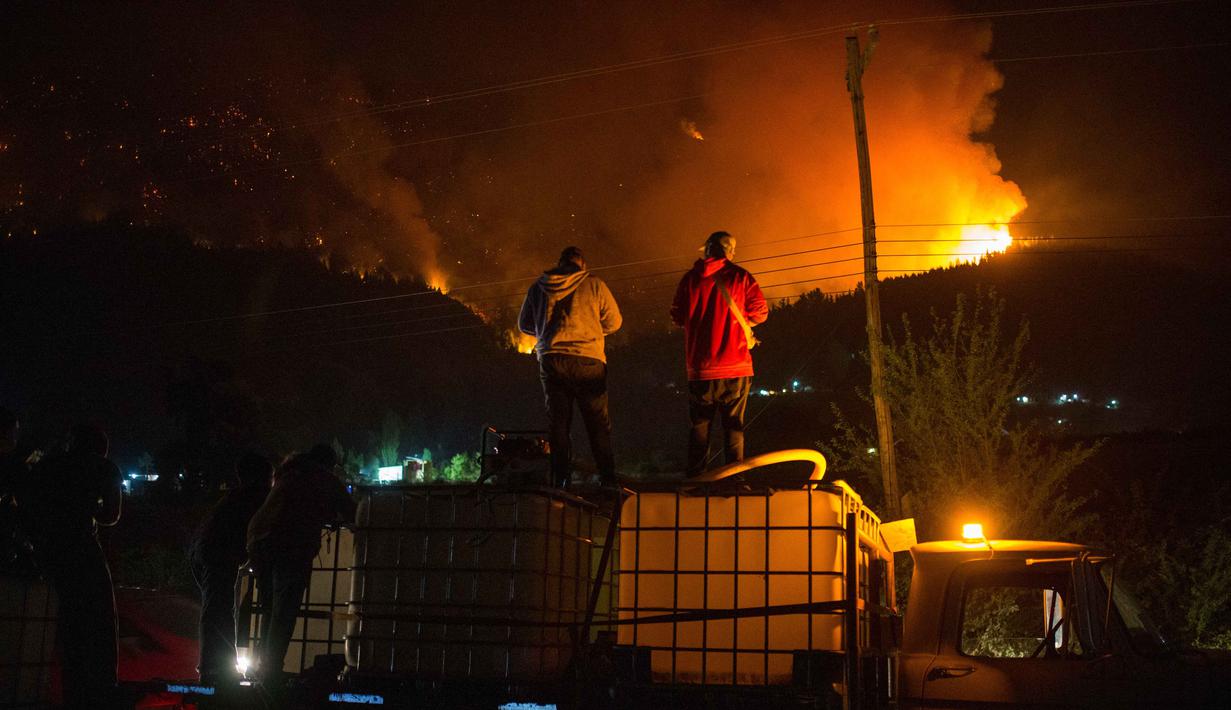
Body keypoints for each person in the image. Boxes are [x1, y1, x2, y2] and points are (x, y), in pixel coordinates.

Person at [24, 423, 124, 707]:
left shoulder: (49, 465)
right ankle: (103, 689)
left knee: (63, 623)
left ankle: (69, 691)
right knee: (101, 621)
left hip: (46, 549)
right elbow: (111, 516)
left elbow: (29, 505)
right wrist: (89, 508)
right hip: (83, 549)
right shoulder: (104, 468)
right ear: (102, 449)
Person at [245, 445, 354, 680]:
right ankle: (271, 669)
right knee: (285, 609)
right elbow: (352, 511)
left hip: (258, 538)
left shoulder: (289, 473)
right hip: (290, 542)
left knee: (270, 608)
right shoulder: (323, 477)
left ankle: (262, 667)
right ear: (328, 464)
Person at [518, 246, 623, 486]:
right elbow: (615, 322)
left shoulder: (538, 287)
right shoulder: (594, 284)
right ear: (582, 265)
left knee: (559, 425)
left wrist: (546, 332)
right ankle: (608, 481)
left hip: (552, 361)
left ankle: (560, 482)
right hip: (589, 361)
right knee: (597, 425)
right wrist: (592, 330)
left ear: (559, 264)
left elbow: (524, 324)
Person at [671, 231, 768, 476]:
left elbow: (677, 316)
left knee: (699, 427)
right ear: (728, 251)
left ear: (707, 251)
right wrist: (741, 325)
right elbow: (760, 313)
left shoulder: (689, 280)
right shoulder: (741, 277)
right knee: (733, 426)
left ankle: (696, 481)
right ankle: (734, 480)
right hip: (736, 366)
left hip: (700, 369)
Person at [188, 451, 273, 684]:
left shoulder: (234, 497)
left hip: (204, 550)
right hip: (216, 552)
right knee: (219, 610)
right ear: (262, 477)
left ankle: (215, 667)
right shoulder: (256, 497)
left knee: (219, 608)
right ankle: (214, 669)